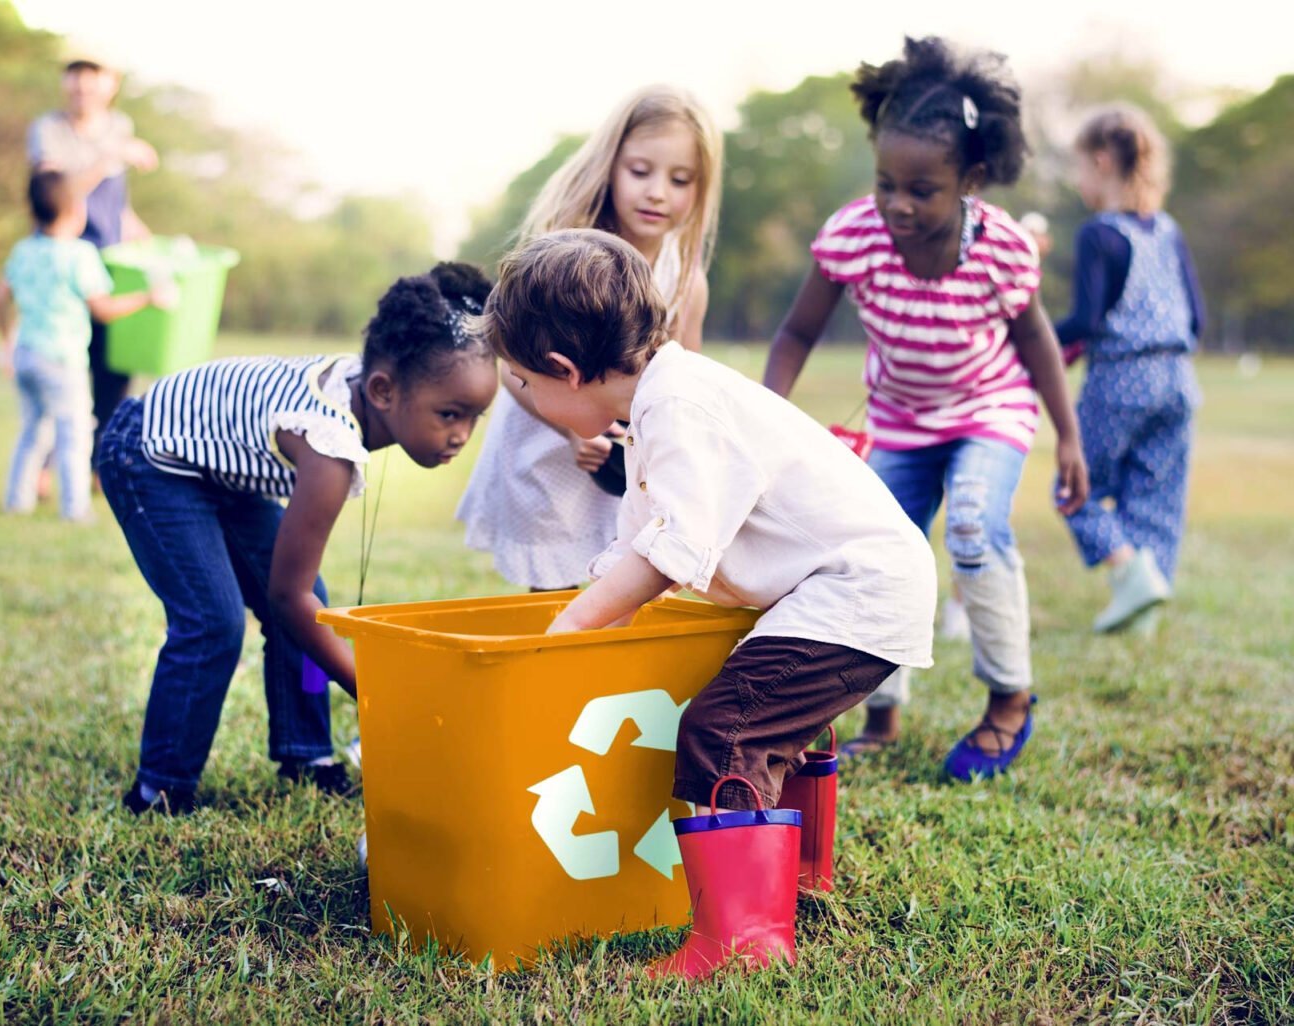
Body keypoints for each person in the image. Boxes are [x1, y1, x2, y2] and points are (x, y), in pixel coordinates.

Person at [482, 228, 935, 974]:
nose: (526, 399)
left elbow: (669, 552)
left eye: (524, 384)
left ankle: (745, 943)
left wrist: (569, 628)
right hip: (842, 589)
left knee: (726, 731)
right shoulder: (666, 400)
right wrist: (593, 635)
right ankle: (794, 887)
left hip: (855, 591)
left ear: (564, 370)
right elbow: (637, 549)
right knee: (768, 723)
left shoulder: (681, 408)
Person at [762, 36, 1090, 781]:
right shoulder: (855, 235)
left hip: (988, 408)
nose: (898, 205)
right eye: (886, 183)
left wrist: (1068, 436)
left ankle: (1009, 700)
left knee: (973, 524)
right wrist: (767, 419)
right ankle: (883, 709)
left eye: (922, 189)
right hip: (903, 421)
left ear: (971, 179)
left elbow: (1036, 341)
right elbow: (796, 331)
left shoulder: (1001, 249)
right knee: (879, 553)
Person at [96, 264, 499, 814]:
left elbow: (298, 597)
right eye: (450, 414)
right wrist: (372, 689)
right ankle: (160, 788)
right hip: (149, 453)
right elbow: (288, 597)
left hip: (218, 470)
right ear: (382, 390)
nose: (461, 435)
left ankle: (306, 754)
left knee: (315, 605)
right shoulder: (328, 447)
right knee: (214, 621)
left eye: (475, 416)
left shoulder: (369, 386)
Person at [456, 85, 723, 590]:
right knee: (554, 591)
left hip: (623, 460)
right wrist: (573, 431)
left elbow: (683, 384)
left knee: (623, 582)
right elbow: (512, 365)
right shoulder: (563, 256)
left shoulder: (685, 280)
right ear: (610, 166)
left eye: (680, 179)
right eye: (640, 171)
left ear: (700, 189)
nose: (658, 192)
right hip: (548, 447)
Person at [1055, 104, 1204, 633]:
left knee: (1077, 489)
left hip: (1121, 378)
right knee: (1156, 498)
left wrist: (1031, 338)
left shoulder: (1099, 234)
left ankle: (1129, 576)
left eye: (1077, 168)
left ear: (1100, 162)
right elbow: (1198, 317)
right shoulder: (1169, 230)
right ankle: (1142, 612)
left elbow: (1086, 320)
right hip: (1179, 380)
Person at [0, 171, 169, 522]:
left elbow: (0, 297)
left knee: (32, 430)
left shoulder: (24, 251)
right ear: (77, 211)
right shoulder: (79, 254)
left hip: (26, 353)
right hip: (62, 358)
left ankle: (17, 501)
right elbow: (103, 309)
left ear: (33, 212)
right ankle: (75, 510)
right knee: (74, 432)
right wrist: (149, 297)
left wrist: (7, 339)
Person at [28, 58, 158, 467]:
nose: (82, 85)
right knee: (64, 367)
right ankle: (47, 467)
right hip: (63, 260)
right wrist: (109, 156)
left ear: (111, 83)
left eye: (92, 76)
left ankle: (102, 466)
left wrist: (148, 241)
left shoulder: (119, 125)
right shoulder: (49, 130)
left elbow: (116, 206)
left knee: (114, 372)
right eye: (75, 75)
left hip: (110, 262)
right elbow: (55, 194)